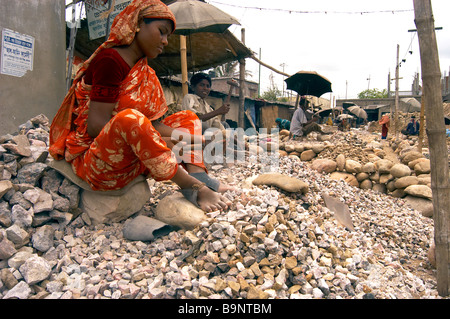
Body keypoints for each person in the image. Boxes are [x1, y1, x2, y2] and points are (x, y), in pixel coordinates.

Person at [48, 0, 231, 213]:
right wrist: (164, 142)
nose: (164, 41)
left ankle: (199, 174)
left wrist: (197, 140)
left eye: (167, 37)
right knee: (131, 119)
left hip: (137, 157)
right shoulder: (110, 61)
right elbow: (96, 127)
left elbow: (154, 124)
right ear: (138, 24)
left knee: (187, 118)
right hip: (101, 161)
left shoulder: (144, 71)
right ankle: (192, 186)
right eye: (161, 32)